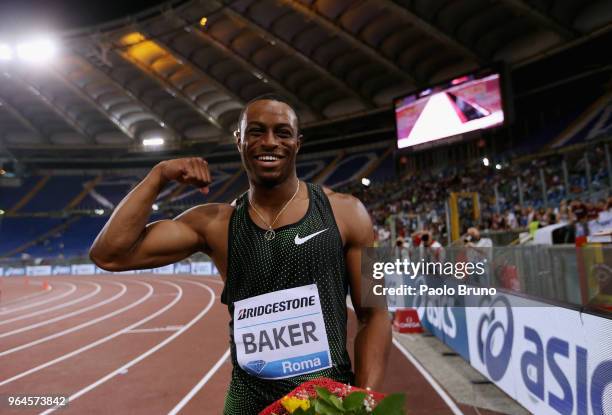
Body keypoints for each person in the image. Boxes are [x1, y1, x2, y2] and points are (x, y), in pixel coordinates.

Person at [89, 94, 391, 414]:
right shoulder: (215, 224)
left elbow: (376, 313)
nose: (270, 142)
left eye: (283, 132)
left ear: (297, 143)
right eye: (257, 131)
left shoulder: (347, 212)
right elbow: (110, 255)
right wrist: (159, 174)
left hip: (325, 403)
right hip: (247, 405)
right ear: (240, 141)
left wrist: (364, 399)